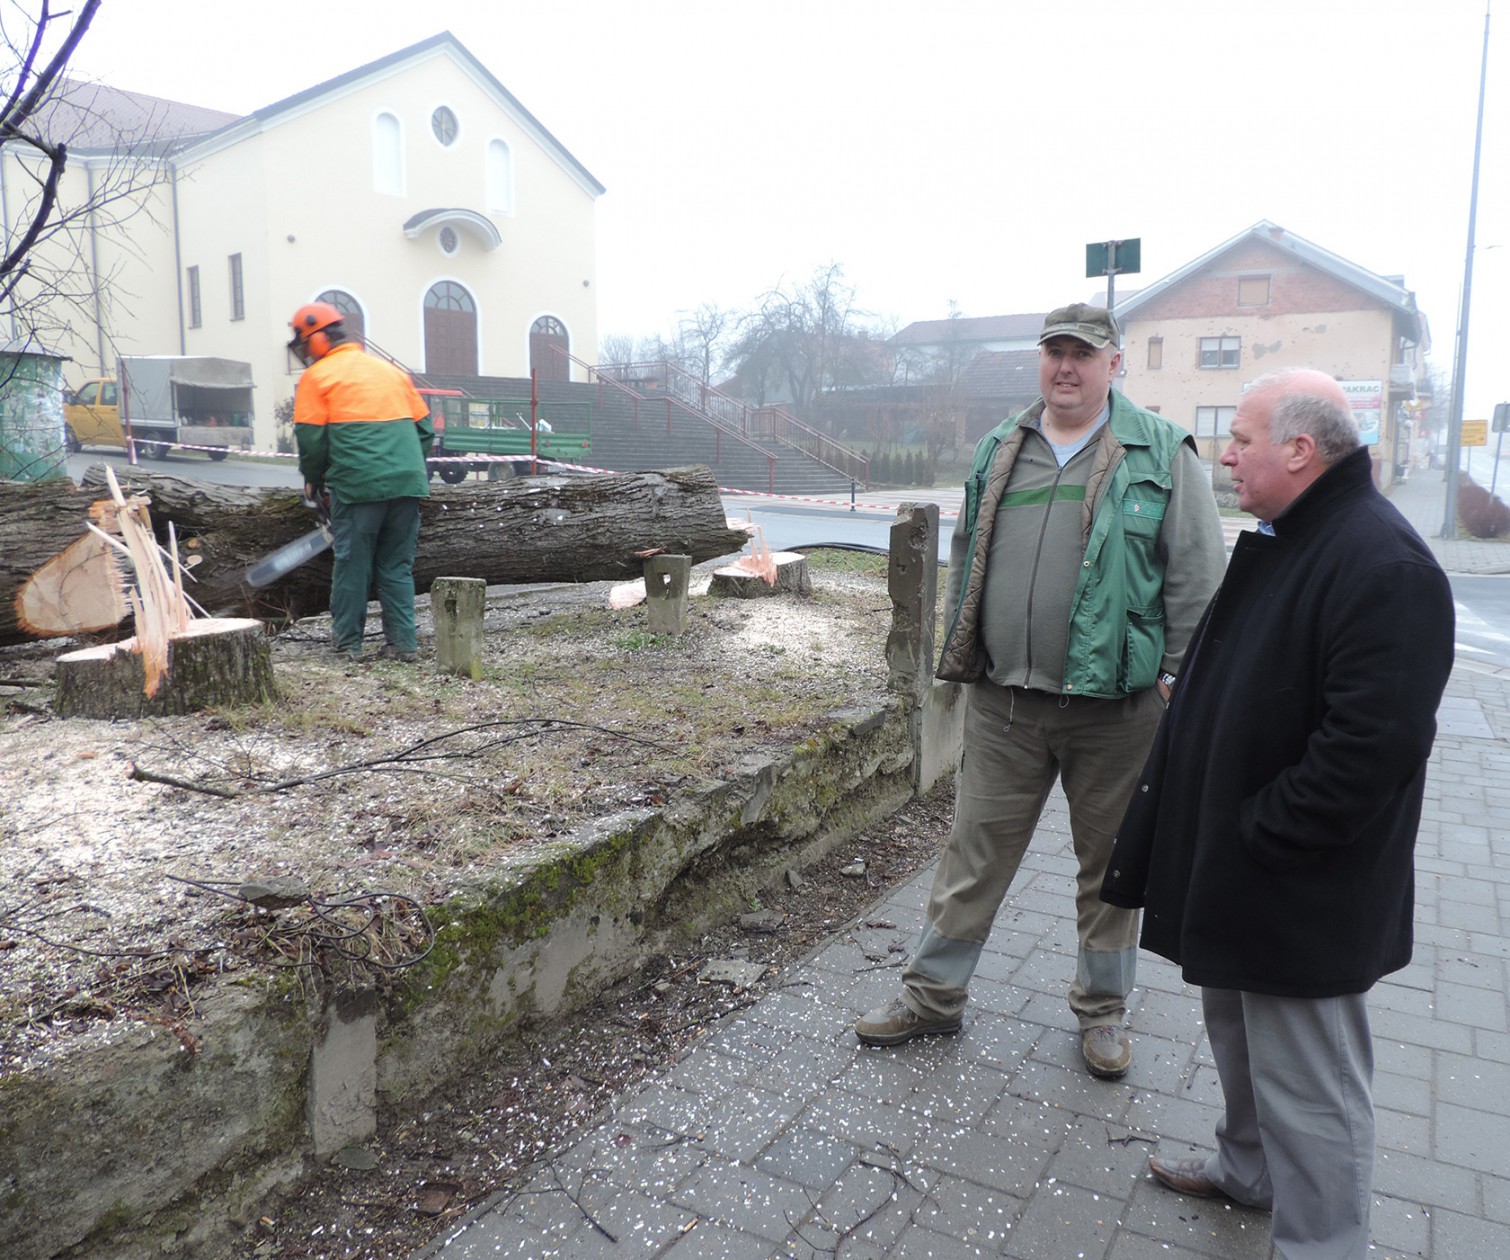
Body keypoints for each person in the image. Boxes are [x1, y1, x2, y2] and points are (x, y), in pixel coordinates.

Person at [1101, 369, 1455, 1257]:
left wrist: (1261, 832)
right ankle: (1248, 1170)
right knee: (1237, 1034)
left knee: (1312, 1084)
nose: (1224, 455)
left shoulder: (1383, 563)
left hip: (1300, 886)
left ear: (1299, 450)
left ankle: (1322, 1244)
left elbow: (1371, 750)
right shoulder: (1294, 534)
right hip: (1243, 866)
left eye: (1241, 439)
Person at [855, 303, 1227, 1078]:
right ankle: (932, 996)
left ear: (1114, 364)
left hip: (1117, 713)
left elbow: (1198, 578)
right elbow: (969, 558)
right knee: (973, 856)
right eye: (1054, 351)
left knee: (1110, 872)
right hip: (1006, 705)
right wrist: (966, 655)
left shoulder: (1161, 451)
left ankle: (1102, 1011)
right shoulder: (1001, 446)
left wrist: (1175, 681)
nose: (1065, 366)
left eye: (1082, 354)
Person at [288, 301, 434, 661]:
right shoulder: (391, 372)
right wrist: (404, 467)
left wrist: (313, 481)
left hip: (357, 485)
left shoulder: (317, 377)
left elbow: (311, 440)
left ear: (318, 338)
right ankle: (403, 644)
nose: (305, 353)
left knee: (352, 564)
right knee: (396, 566)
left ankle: (347, 645)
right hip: (407, 484)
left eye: (305, 345)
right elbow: (425, 430)